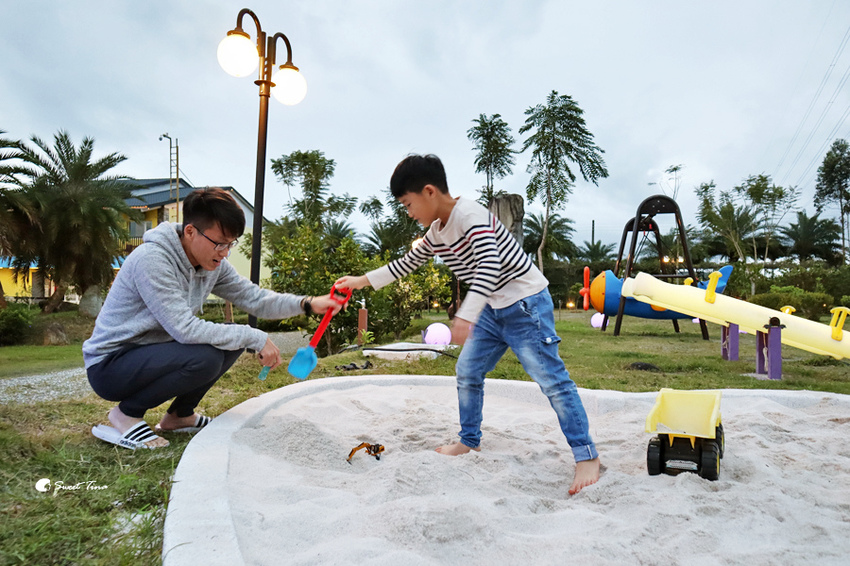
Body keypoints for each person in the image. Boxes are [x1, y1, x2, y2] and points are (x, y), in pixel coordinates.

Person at [336, 154, 600, 495]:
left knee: (551, 380)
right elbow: (407, 263)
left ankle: (586, 455)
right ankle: (469, 440)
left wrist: (466, 314)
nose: (409, 213)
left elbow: (490, 265)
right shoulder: (436, 232)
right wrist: (360, 281)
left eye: (408, 204)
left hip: (525, 305)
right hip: (492, 308)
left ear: (429, 191)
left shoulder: (471, 216)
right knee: (468, 370)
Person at [84, 187, 342, 450]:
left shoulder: (212, 263)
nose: (225, 252)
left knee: (230, 340)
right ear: (190, 231)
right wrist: (254, 336)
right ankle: (126, 414)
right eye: (219, 243)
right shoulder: (152, 260)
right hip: (111, 365)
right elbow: (184, 329)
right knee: (207, 357)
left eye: (230, 244)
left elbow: (254, 298)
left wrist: (308, 304)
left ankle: (180, 416)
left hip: (151, 353)